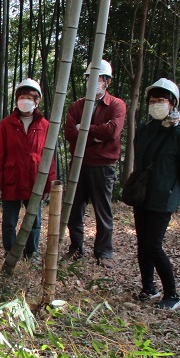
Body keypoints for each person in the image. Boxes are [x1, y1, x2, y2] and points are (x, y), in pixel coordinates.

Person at [131, 79, 180, 310]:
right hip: (143, 195)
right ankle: (148, 288)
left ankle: (172, 294)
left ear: (172, 104)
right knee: (142, 244)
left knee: (153, 245)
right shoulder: (145, 129)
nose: (155, 105)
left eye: (161, 101)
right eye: (152, 101)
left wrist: (173, 190)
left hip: (163, 197)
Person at [63, 60, 126, 269]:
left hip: (103, 166)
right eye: (90, 78)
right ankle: (76, 247)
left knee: (103, 210)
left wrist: (85, 130)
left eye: (98, 79)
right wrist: (97, 135)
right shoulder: (76, 106)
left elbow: (113, 132)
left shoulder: (116, 104)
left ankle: (104, 251)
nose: (94, 82)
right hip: (78, 164)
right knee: (74, 208)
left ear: (107, 82)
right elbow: (70, 133)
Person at [0, 78, 55, 260]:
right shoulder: (6, 124)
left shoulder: (45, 125)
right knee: (9, 221)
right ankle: (10, 252)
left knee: (34, 220)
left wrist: (49, 184)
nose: (25, 100)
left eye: (29, 97)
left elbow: (49, 157)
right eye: (22, 96)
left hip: (35, 179)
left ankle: (31, 252)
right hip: (11, 178)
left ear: (37, 100)